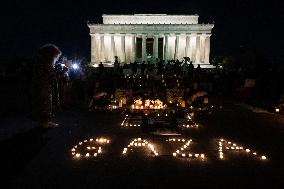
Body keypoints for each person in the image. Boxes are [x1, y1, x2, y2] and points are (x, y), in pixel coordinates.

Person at [31, 44, 62, 128]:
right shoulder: (45, 65)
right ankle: (45, 122)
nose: (56, 59)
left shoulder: (41, 63)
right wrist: (59, 72)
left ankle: (46, 121)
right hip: (43, 86)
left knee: (46, 102)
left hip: (44, 86)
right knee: (45, 103)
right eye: (56, 56)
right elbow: (51, 76)